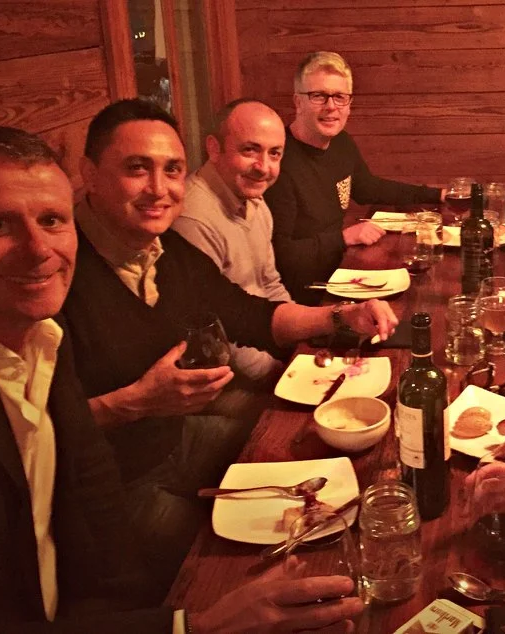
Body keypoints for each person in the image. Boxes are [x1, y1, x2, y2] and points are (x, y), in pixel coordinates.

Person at [0, 126, 363, 633]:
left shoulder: (40, 332)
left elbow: (93, 488)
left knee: (317, 480)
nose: (37, 249)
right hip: (129, 491)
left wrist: (340, 317)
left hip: (138, 497)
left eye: (51, 220)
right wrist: (190, 626)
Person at [62, 98, 397, 595]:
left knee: (311, 460)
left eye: (171, 169)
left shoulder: (165, 251)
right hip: (110, 484)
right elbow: (28, 429)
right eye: (136, 168)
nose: (159, 188)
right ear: (90, 173)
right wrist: (135, 401)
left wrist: (340, 316)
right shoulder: (58, 271)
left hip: (174, 436)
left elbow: (249, 315)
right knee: (232, 567)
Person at [264, 51, 444, 303]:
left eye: (339, 97)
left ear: (349, 104)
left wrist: (438, 195)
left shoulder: (341, 143)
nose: (331, 107)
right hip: (306, 295)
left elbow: (368, 187)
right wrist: (344, 238)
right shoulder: (277, 163)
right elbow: (279, 256)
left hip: (340, 272)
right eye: (318, 96)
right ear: (298, 102)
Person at [174, 98, 291, 383]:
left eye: (274, 154)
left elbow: (270, 284)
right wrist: (282, 373)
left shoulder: (255, 201)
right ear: (214, 148)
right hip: (224, 382)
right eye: (250, 150)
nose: (263, 167)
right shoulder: (193, 218)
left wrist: (300, 346)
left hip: (267, 352)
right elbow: (218, 335)